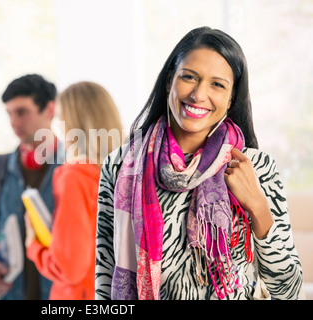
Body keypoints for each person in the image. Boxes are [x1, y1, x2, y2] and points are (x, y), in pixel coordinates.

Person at [95, 26, 304, 300]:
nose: (199, 94)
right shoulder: (120, 165)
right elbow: (105, 275)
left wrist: (257, 205)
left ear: (231, 98)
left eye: (217, 84)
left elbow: (289, 290)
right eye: (189, 77)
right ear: (170, 80)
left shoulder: (256, 167)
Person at [25, 81, 124, 299]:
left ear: (72, 124)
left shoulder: (75, 177)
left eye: (60, 120)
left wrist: (33, 246)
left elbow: (70, 268)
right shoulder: (125, 173)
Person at [0, 74, 65, 300]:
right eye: (9, 113)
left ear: (49, 110)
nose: (14, 122)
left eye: (21, 112)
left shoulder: (75, 171)